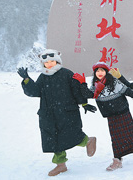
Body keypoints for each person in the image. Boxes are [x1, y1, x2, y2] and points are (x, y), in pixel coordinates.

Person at [17, 49, 97, 177]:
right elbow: (35, 92)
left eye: (52, 61)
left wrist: (84, 103)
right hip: (48, 114)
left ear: (57, 61)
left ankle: (88, 141)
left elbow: (76, 90)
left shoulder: (66, 74)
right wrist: (27, 79)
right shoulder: (43, 77)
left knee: (71, 134)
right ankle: (60, 165)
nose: (49, 64)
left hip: (66, 112)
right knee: (53, 139)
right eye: (46, 62)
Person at [73, 62, 133, 171]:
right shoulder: (95, 85)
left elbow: (127, 91)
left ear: (106, 72)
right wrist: (82, 83)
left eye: (102, 70)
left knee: (130, 134)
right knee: (115, 138)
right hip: (110, 114)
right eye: (97, 71)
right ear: (95, 73)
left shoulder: (114, 82)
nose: (100, 73)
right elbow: (88, 94)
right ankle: (117, 160)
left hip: (122, 111)